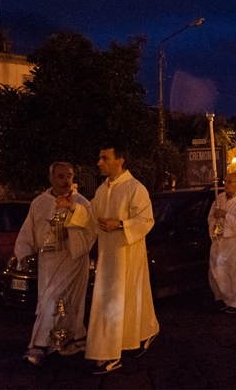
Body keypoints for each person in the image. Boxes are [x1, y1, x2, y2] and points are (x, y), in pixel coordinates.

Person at [15, 162, 97, 366]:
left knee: (71, 302)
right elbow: (29, 230)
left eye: (69, 176)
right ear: (51, 178)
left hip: (74, 261)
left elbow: (91, 225)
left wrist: (72, 209)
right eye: (61, 176)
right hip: (49, 263)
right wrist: (24, 253)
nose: (66, 180)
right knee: (47, 302)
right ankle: (42, 344)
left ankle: (68, 339)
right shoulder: (39, 203)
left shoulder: (81, 202)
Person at [86, 144, 159, 374]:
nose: (99, 163)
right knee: (126, 301)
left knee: (115, 303)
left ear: (119, 161)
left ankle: (108, 354)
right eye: (99, 158)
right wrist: (72, 210)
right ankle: (147, 330)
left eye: (104, 158)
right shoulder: (101, 190)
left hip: (127, 255)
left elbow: (146, 220)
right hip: (108, 257)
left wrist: (120, 224)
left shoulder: (135, 188)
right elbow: (90, 217)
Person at [208, 173, 236, 314]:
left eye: (230, 182)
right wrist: (214, 227)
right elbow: (210, 217)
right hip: (220, 240)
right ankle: (221, 297)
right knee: (218, 269)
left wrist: (225, 215)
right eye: (225, 181)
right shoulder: (219, 198)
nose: (226, 184)